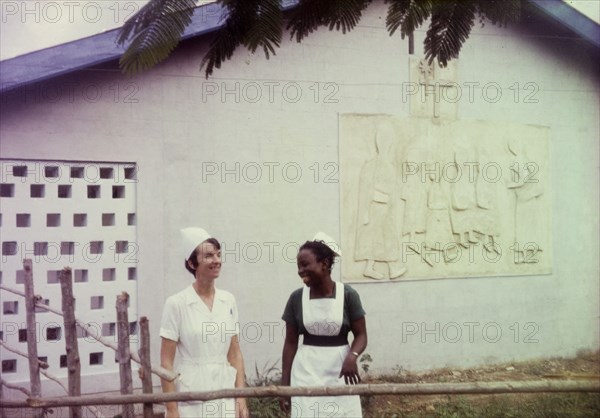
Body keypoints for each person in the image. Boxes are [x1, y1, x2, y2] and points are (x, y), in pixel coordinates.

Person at [159, 227, 249, 418]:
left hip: (225, 391)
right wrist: (172, 409)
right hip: (191, 394)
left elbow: (234, 353)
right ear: (192, 263)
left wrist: (241, 398)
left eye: (218, 254)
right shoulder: (176, 304)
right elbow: (166, 362)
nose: (216, 260)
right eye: (208, 256)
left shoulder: (228, 300)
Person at [280, 232, 367, 418]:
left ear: (325, 264)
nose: (300, 271)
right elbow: (290, 343)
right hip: (306, 371)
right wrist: (284, 386)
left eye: (305, 265)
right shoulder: (297, 298)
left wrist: (352, 357)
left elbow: (361, 335)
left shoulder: (348, 295)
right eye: (298, 266)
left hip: (341, 370)